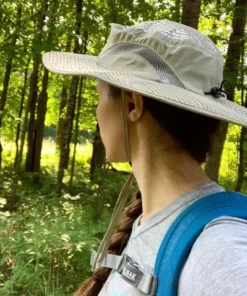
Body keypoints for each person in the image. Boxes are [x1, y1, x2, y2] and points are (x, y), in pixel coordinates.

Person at [43, 20, 247, 296]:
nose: (96, 112)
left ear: (131, 105)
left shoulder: (219, 252)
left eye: (99, 97)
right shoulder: (150, 218)